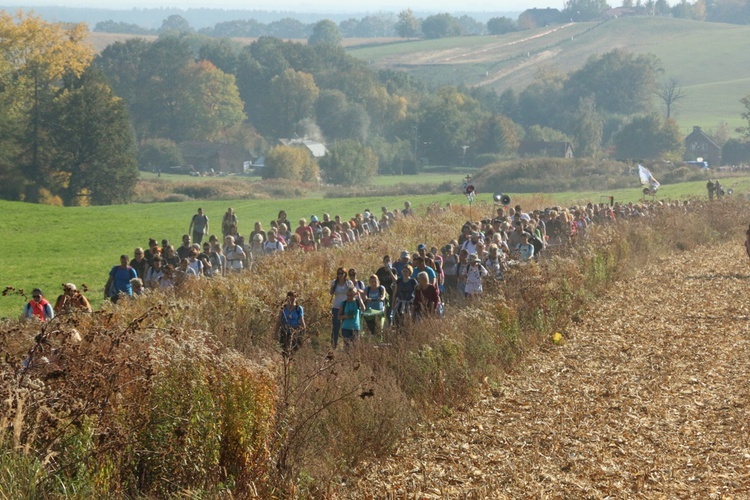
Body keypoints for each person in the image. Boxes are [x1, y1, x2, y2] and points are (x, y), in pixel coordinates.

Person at [330, 268, 352, 348]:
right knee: (336, 327)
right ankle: (333, 345)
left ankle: (346, 345)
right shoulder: (334, 282)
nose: (340, 275)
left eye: (341, 273)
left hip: (346, 307)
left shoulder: (348, 283)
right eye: (338, 273)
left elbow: (352, 292)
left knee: (345, 327)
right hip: (336, 307)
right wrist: (332, 287)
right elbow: (331, 292)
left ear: (345, 274)